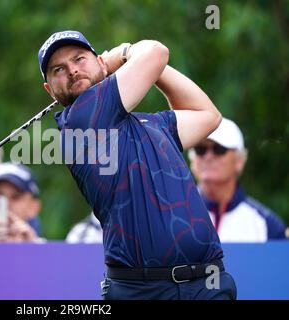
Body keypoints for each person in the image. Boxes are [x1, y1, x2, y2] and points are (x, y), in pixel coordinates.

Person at [38, 30, 236, 299]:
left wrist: (153, 70)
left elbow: (208, 116)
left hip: (207, 283)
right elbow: (155, 52)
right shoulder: (79, 121)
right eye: (59, 69)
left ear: (98, 62)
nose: (72, 70)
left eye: (79, 59)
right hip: (142, 291)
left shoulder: (150, 123)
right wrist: (123, 53)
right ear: (50, 90)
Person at [189, 117, 287, 242]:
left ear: (239, 160)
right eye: (200, 150)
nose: (208, 157)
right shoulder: (173, 215)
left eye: (219, 149)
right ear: (193, 159)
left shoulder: (266, 226)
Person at [0, 162, 44, 243]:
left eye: (15, 197)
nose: (6, 204)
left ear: (33, 207)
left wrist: (33, 250)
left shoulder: (47, 252)